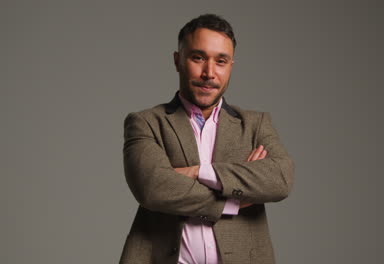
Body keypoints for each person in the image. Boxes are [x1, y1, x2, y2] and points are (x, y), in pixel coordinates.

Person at [120, 14, 295, 264]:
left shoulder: (256, 124)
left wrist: (196, 172)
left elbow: (281, 179)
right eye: (198, 57)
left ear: (231, 66)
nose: (209, 73)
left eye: (221, 61)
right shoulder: (146, 122)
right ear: (178, 60)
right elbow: (152, 188)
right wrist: (233, 201)